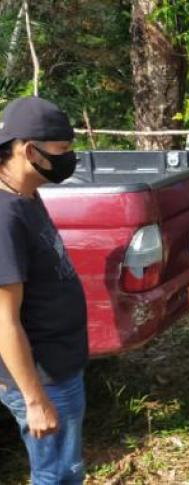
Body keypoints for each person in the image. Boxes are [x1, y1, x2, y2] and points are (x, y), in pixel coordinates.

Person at [0, 96, 87, 484]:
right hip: (44, 377)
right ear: (29, 150)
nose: (70, 158)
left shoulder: (27, 195)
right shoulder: (4, 217)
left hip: (60, 364)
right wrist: (35, 400)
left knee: (65, 469)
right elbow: (4, 320)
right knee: (56, 474)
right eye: (63, 150)